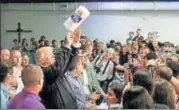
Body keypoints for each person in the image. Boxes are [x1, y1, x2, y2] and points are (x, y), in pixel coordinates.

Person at [35, 29, 80, 109]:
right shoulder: (42, 71)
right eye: (51, 55)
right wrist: (67, 44)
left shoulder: (56, 69)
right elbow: (58, 67)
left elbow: (69, 63)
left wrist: (74, 45)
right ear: (42, 59)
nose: (54, 57)